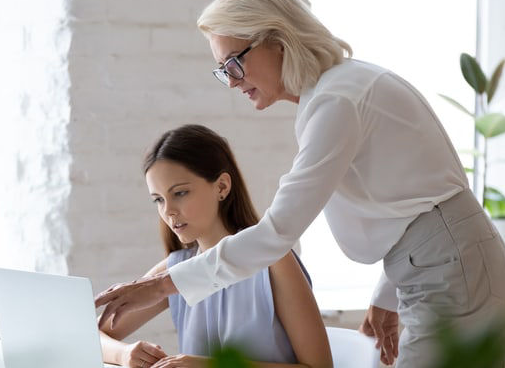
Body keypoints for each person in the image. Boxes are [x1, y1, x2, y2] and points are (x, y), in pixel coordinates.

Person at [96, 0, 505, 368]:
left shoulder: (337, 101)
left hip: (453, 268)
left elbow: (276, 233)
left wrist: (158, 287)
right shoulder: (334, 94)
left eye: (234, 64)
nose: (231, 82)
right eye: (222, 70)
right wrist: (387, 293)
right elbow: (412, 206)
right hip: (443, 263)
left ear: (276, 40)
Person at [98, 124, 333, 368]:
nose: (168, 211)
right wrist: (124, 354)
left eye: (180, 193)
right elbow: (92, 335)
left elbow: (321, 367)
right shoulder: (175, 268)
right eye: (158, 199)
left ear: (222, 187)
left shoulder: (274, 260)